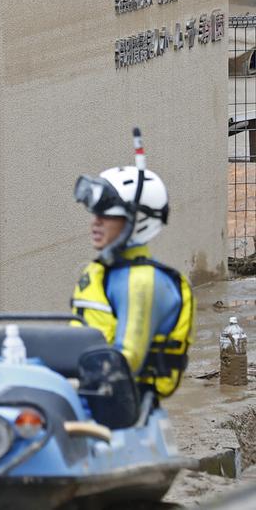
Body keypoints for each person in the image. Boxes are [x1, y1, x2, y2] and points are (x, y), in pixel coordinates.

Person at [71, 140, 194, 399]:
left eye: (107, 215)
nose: (96, 223)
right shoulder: (107, 272)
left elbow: (127, 361)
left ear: (136, 222)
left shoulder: (141, 283)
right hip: (96, 396)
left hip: (124, 414)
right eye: (95, 214)